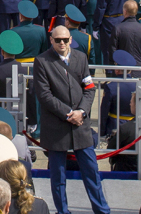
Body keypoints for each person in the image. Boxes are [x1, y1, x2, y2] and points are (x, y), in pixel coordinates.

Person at [35, 23, 111, 214]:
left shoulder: (80, 58)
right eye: (57, 40)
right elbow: (44, 96)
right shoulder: (42, 61)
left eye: (65, 39)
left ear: (70, 40)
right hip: (57, 127)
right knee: (58, 177)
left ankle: (102, 210)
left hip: (80, 126)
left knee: (92, 173)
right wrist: (69, 114)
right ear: (51, 40)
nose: (62, 43)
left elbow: (89, 88)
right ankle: (63, 212)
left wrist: (82, 112)